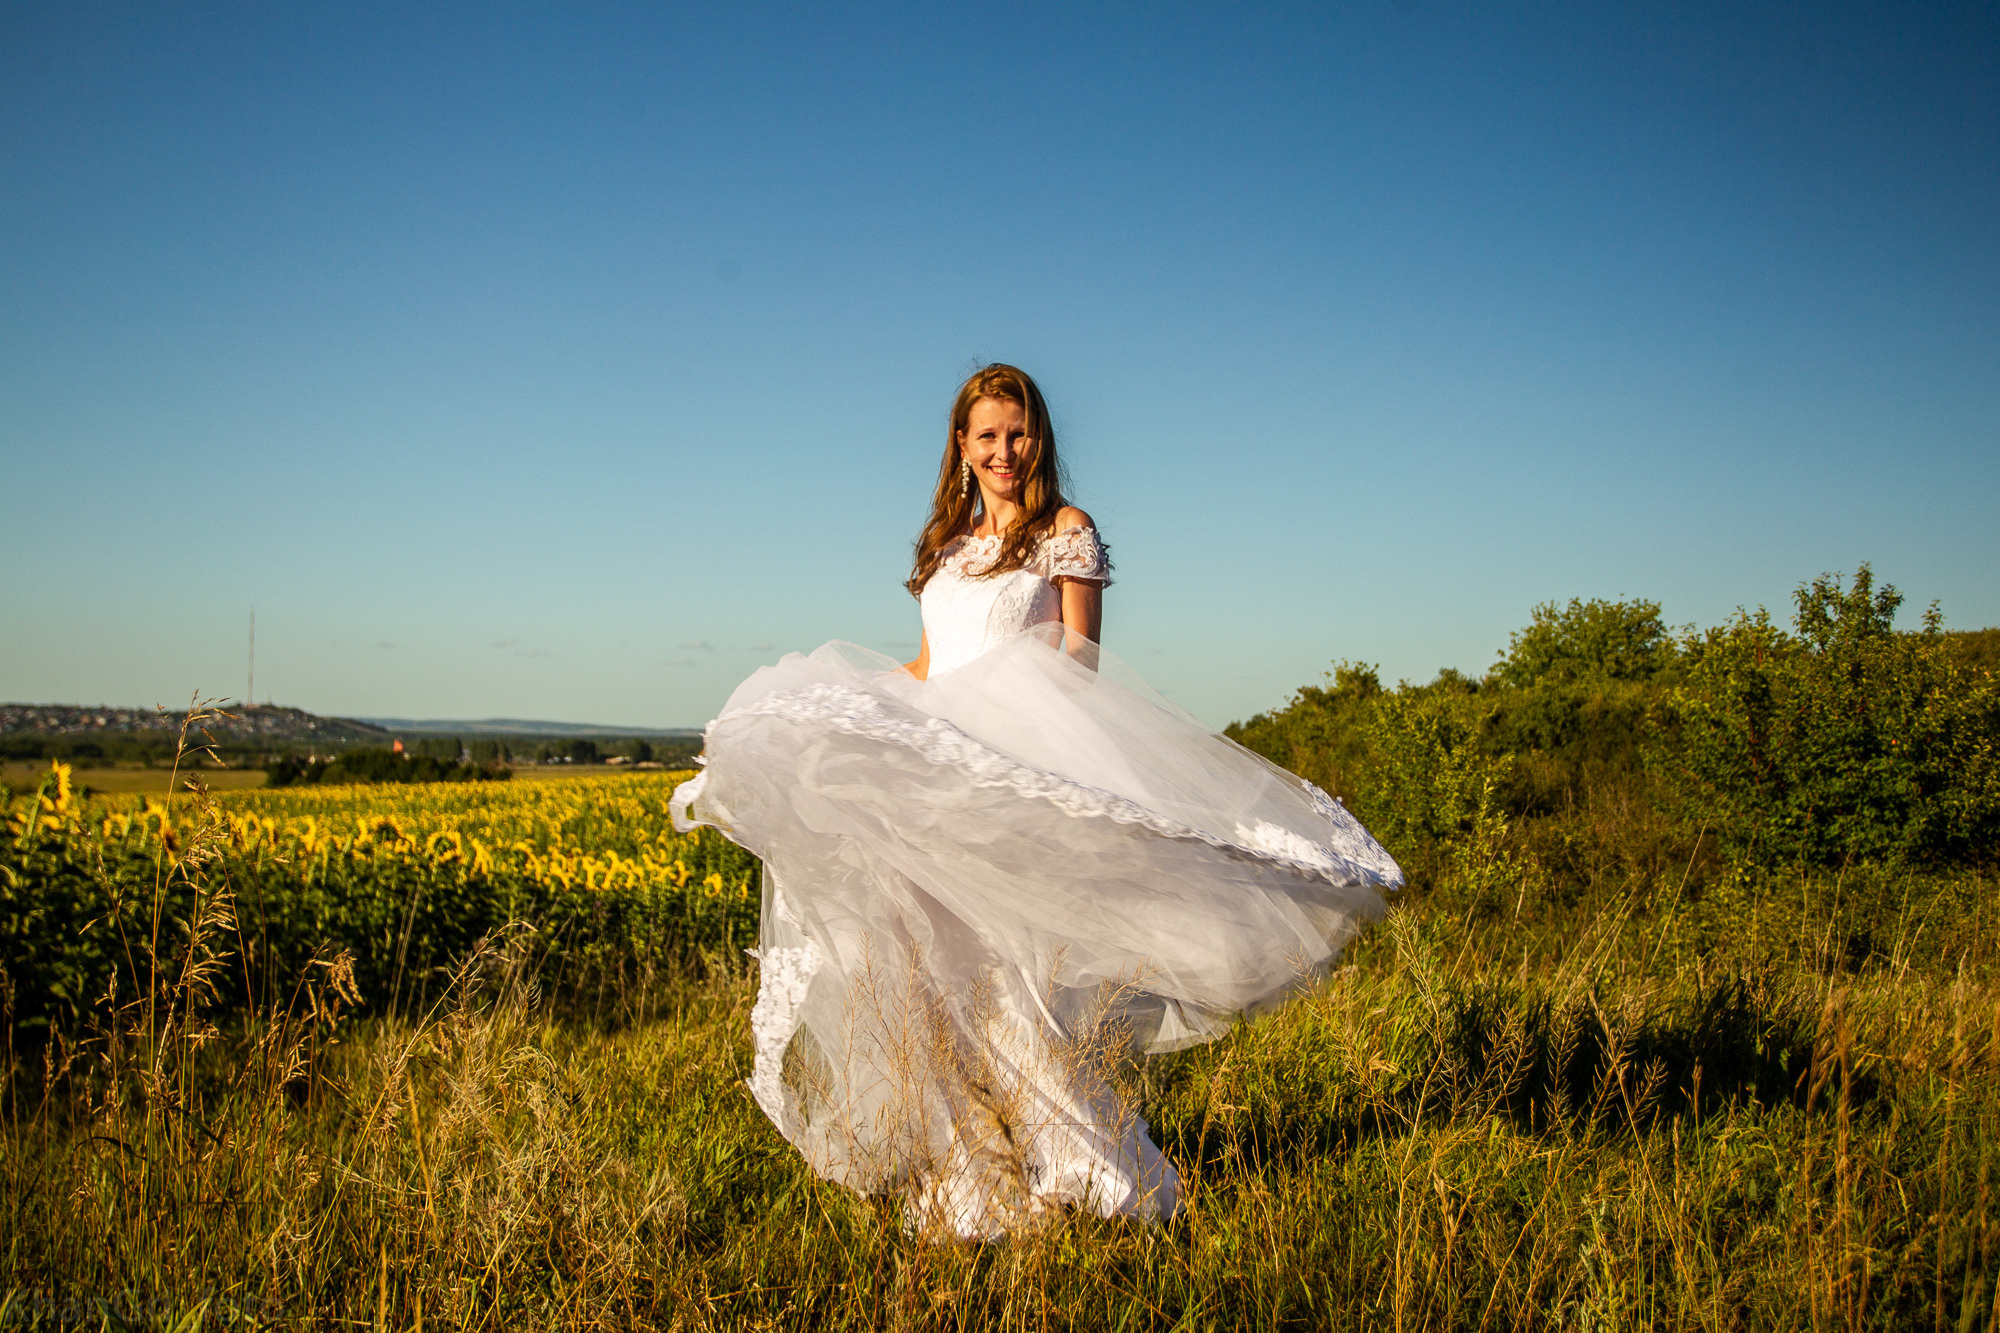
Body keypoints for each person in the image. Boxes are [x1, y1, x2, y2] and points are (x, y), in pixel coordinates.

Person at [672, 364, 1401, 1239]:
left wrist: (1007, 758)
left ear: (1039, 438)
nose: (1004, 451)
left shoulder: (1066, 530)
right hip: (936, 788)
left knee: (1012, 990)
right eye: (987, 435)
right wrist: (837, 710)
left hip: (1013, 777)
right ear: (961, 444)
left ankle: (1097, 1178)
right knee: (927, 982)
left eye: (1018, 434)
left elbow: (1078, 667)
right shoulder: (946, 542)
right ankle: (973, 1183)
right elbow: (928, 668)